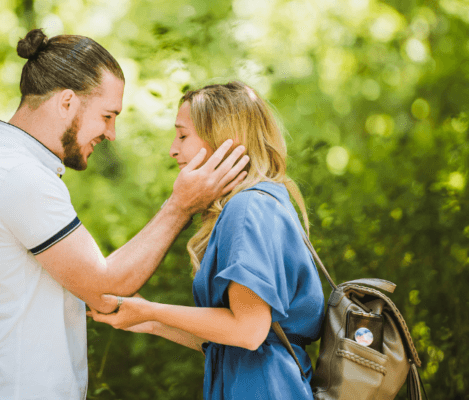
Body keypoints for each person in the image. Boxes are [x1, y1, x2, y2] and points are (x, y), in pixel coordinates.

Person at [0, 30, 250, 400]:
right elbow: (106, 286)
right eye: (107, 116)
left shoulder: (10, 166)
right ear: (67, 102)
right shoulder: (17, 176)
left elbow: (95, 290)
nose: (112, 133)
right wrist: (180, 205)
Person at [89, 81, 325, 399]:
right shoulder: (263, 203)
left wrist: (154, 312)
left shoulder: (248, 208)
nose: (173, 149)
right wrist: (150, 320)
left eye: (183, 135)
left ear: (225, 139)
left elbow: (248, 331)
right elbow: (232, 343)